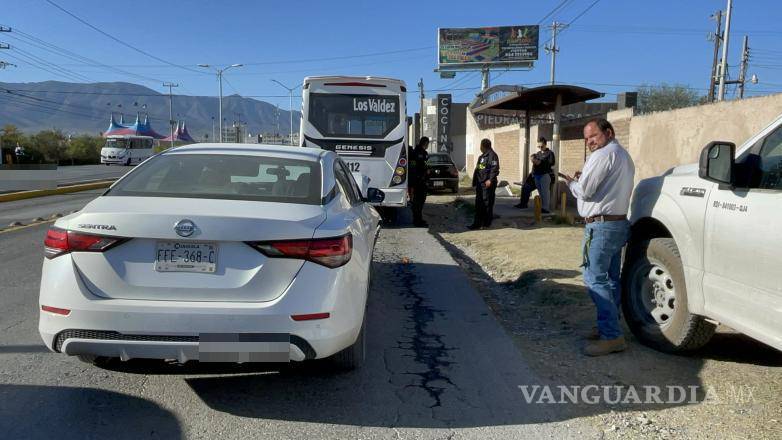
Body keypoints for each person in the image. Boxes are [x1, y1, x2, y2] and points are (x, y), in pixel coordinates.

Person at [560, 118, 635, 357]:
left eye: (593, 136)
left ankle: (612, 336)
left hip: (600, 227)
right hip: (617, 224)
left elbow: (585, 191)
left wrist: (572, 183)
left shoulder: (602, 155)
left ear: (608, 132)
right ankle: (609, 326)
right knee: (611, 279)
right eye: (586, 138)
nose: (589, 141)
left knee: (594, 279)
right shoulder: (622, 155)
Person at [515, 136, 555, 212]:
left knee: (544, 193)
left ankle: (545, 208)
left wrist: (540, 162)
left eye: (541, 146)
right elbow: (534, 165)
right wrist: (532, 173)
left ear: (545, 145)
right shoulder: (538, 153)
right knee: (527, 187)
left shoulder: (550, 153)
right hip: (536, 175)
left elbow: (551, 163)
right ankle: (523, 204)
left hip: (544, 175)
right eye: (538, 146)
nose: (540, 148)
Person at [468, 138, 499, 230]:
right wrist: (474, 182)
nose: (480, 147)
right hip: (480, 184)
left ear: (483, 146)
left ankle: (486, 223)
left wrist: (490, 179)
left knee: (487, 203)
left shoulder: (492, 156)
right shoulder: (482, 157)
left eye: (480, 145)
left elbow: (495, 169)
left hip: (487, 184)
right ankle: (477, 223)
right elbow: (479, 170)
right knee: (479, 204)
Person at [408, 136, 430, 227]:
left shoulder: (422, 153)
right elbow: (415, 167)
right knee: (418, 202)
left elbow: (425, 164)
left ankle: (419, 219)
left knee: (420, 201)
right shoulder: (417, 153)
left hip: (421, 181)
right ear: (425, 143)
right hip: (418, 181)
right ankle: (417, 221)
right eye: (427, 144)